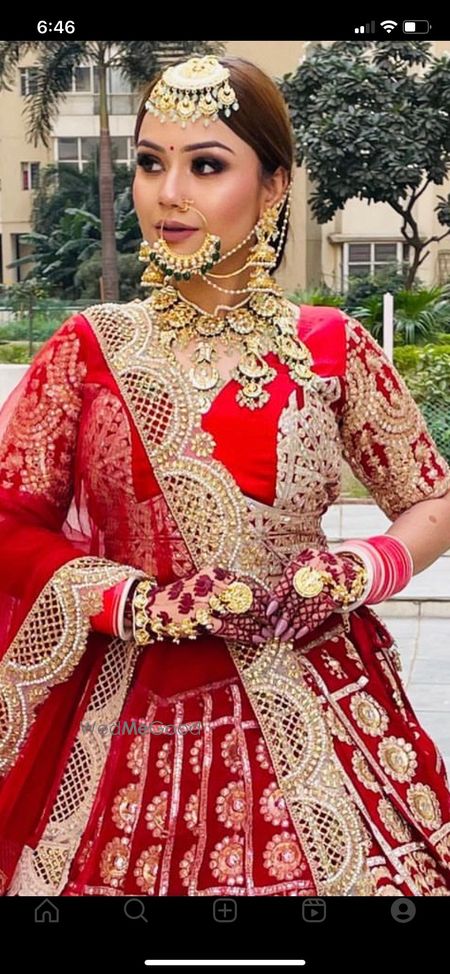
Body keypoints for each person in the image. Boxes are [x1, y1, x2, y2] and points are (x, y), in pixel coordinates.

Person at [0, 53, 450, 898]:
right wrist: (133, 600)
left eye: (206, 165)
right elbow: (8, 523)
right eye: (150, 163)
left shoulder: (332, 347)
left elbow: (431, 496)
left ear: (274, 186)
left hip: (317, 686)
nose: (168, 194)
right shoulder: (88, 352)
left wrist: (359, 569)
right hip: (132, 710)